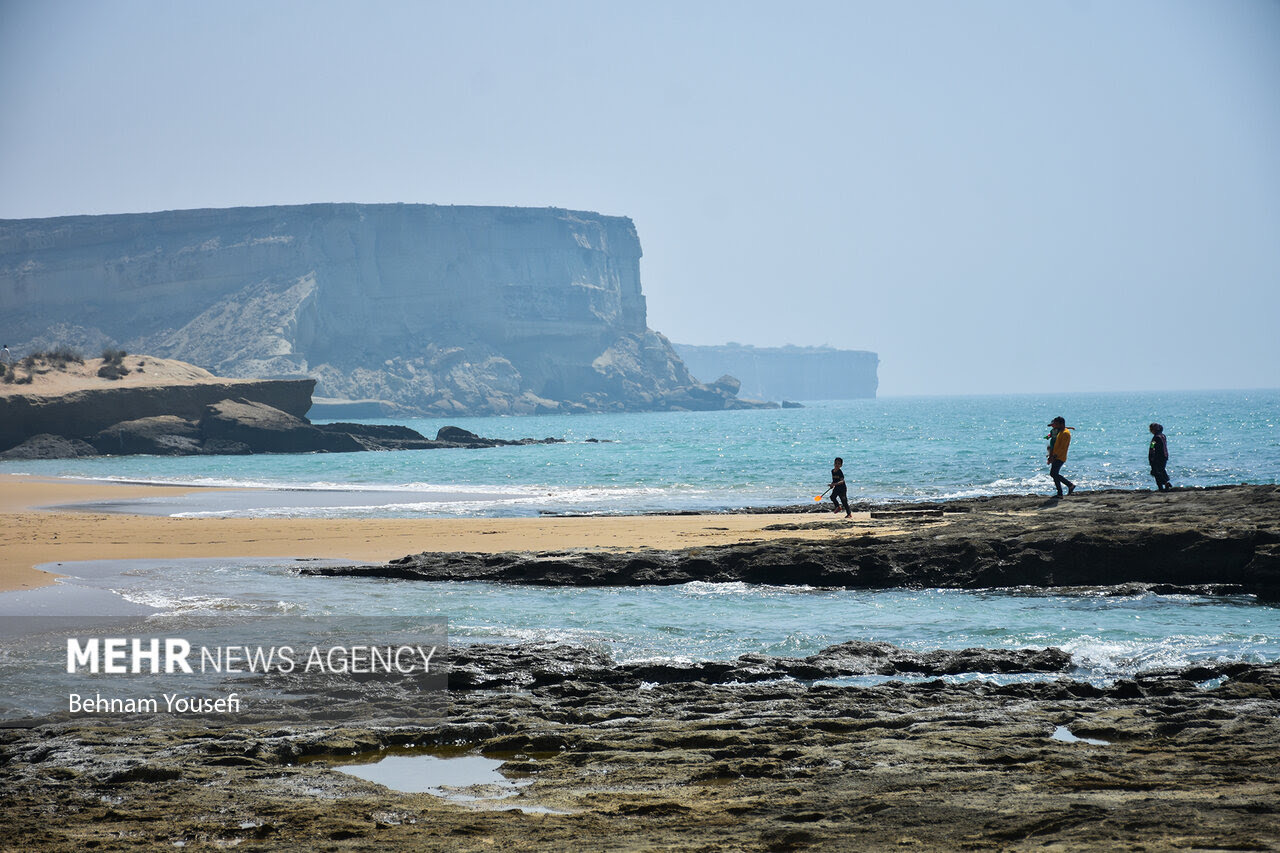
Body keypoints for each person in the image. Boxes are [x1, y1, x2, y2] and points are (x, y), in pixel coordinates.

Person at [1046, 416, 1075, 497]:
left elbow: (1062, 447)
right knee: (1054, 474)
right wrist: (1051, 454)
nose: (1054, 425)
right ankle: (1060, 492)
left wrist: (1054, 456)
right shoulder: (1061, 431)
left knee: (1053, 473)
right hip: (1056, 455)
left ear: (1061, 424)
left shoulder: (1065, 433)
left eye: (1056, 423)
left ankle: (1070, 485)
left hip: (1060, 456)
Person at [1148, 423, 1172, 491]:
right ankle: (1164, 484)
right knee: (1161, 471)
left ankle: (1163, 484)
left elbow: (1152, 448)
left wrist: (1151, 458)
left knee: (1156, 472)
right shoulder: (1163, 436)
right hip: (1164, 456)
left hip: (1157, 457)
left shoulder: (1155, 438)